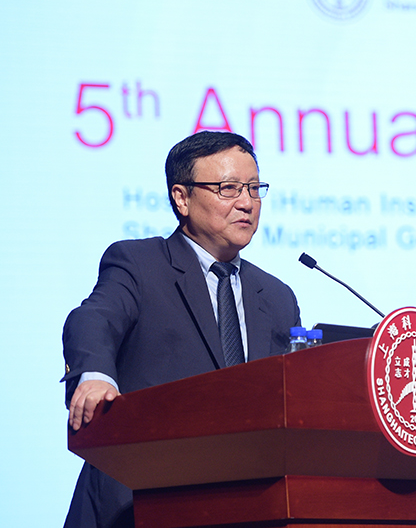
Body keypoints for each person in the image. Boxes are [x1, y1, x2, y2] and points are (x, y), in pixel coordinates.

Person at [62, 132, 300, 528]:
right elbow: (93, 319)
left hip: (246, 506)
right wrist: (96, 376)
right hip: (141, 501)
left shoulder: (276, 297)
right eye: (228, 188)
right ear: (182, 198)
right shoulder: (139, 264)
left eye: (254, 188)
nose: (246, 202)